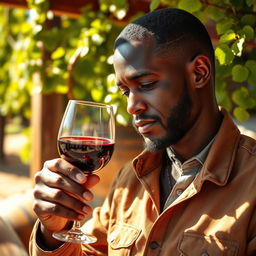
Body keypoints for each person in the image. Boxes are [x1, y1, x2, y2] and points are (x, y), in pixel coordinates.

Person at [29, 8, 256, 256]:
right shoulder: (129, 179)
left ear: (199, 72)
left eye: (146, 85)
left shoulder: (251, 182)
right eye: (126, 91)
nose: (131, 106)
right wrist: (53, 230)